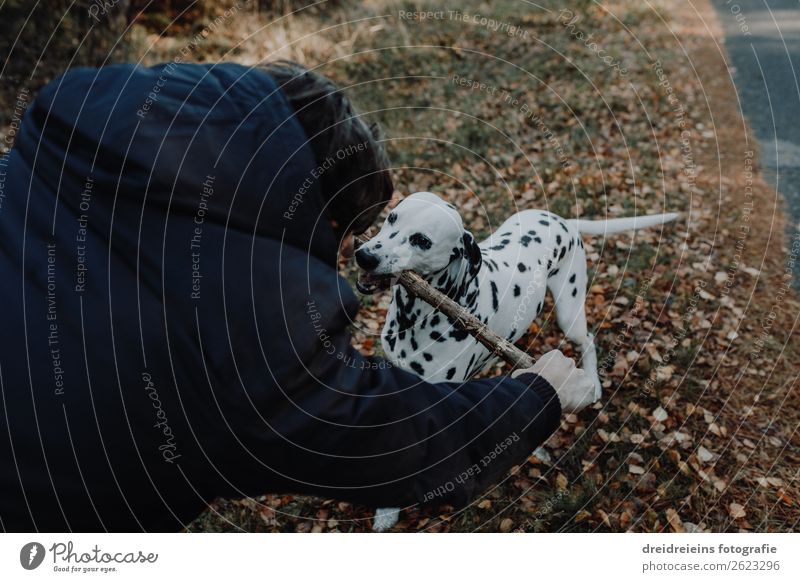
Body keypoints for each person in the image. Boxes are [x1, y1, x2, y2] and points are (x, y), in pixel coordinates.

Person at [0, 61, 595, 532]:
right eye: (342, 237)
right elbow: (390, 439)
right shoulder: (254, 333)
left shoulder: (58, 143)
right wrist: (536, 397)